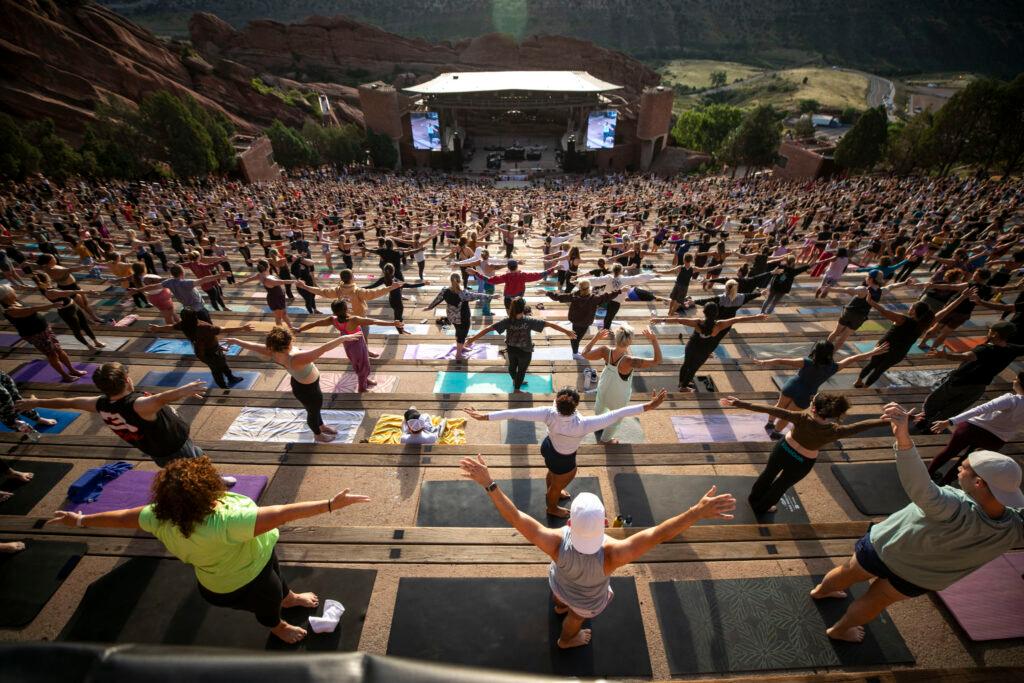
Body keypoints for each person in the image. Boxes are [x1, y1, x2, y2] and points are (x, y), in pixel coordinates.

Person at [44, 456, 370, 644]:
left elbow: (121, 517)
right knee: (269, 605)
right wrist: (330, 504)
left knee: (279, 582)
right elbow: (284, 512)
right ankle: (278, 625)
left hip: (237, 570)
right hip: (246, 582)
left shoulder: (158, 515)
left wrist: (82, 520)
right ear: (206, 491)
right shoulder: (228, 520)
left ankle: (289, 598)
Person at [459, 454, 735, 648]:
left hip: (560, 584)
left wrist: (489, 484)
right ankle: (566, 641)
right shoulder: (613, 554)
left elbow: (516, 517)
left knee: (560, 598)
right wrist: (696, 512)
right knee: (575, 619)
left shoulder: (554, 541)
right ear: (604, 523)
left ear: (569, 523)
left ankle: (558, 606)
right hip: (586, 601)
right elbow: (660, 533)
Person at [810, 402, 1024, 643]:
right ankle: (840, 630)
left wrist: (903, 437)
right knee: (877, 600)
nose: (960, 469)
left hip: (886, 547)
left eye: (964, 468)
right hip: (921, 576)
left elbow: (920, 486)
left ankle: (821, 591)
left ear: (979, 484)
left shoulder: (953, 505)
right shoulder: (1016, 528)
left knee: (849, 572)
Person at [463, 389, 668, 518]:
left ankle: (555, 490)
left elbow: (514, 413)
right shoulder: (584, 424)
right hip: (564, 459)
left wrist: (484, 417)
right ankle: (551, 507)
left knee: (554, 475)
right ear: (575, 406)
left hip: (548, 448)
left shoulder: (549, 413)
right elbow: (618, 413)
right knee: (561, 478)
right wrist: (649, 406)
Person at [717, 392, 889, 515]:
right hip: (803, 461)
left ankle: (754, 497)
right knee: (782, 485)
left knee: (768, 473)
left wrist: (739, 403)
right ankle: (763, 507)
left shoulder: (801, 417)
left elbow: (770, 409)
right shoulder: (836, 430)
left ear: (813, 409)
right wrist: (890, 421)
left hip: (783, 449)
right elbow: (863, 425)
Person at [16, 362, 213, 468]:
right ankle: (209, 492)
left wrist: (37, 402)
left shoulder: (100, 403)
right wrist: (183, 390)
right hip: (174, 447)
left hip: (156, 447)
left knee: (191, 458)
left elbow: (69, 402)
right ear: (128, 380)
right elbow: (160, 399)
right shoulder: (137, 405)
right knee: (193, 469)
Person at [224, 327, 359, 442]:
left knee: (314, 409)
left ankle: (321, 426)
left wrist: (237, 341)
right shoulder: (296, 358)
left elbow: (253, 346)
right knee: (313, 411)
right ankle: (318, 435)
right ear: (287, 343)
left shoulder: (273, 351)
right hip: (307, 389)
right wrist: (343, 338)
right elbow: (322, 349)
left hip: (302, 385)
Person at [754, 340, 890, 438]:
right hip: (806, 393)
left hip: (792, 385)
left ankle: (770, 423)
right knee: (788, 415)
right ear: (831, 354)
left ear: (816, 351)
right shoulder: (834, 367)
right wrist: (873, 352)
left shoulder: (806, 362)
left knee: (779, 406)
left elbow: (782, 360)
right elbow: (853, 358)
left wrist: (765, 362)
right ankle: (776, 433)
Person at [913, 321, 1023, 434]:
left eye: (990, 330)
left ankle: (923, 420)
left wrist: (945, 355)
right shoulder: (1012, 350)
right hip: (978, 388)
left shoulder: (985, 349)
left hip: (959, 381)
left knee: (933, 401)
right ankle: (931, 427)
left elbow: (966, 356)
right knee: (953, 409)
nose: (988, 331)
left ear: (995, 334)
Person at [927, 370, 1024, 484]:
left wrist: (950, 421)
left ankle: (927, 475)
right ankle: (943, 484)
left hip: (972, 429)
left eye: (1016, 379)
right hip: (995, 440)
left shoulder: (1012, 399)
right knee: (967, 464)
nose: (1013, 381)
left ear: (1021, 384)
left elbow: (980, 409)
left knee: (949, 452)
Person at [465, 297, 576, 393]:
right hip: (525, 351)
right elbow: (550, 324)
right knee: (521, 370)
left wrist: (473, 338)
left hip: (512, 349)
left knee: (512, 368)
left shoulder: (507, 321)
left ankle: (516, 381)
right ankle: (517, 389)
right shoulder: (529, 321)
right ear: (523, 309)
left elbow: (488, 328)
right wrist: (567, 332)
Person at [653, 303, 768, 392]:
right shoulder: (720, 324)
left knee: (686, 364)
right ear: (716, 313)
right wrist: (757, 317)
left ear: (704, 312)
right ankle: (683, 387)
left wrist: (660, 319)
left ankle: (681, 383)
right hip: (703, 350)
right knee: (693, 368)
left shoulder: (697, 322)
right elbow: (738, 319)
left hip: (692, 346)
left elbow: (678, 320)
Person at [296, 300, 403, 393]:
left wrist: (299, 329)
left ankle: (365, 380)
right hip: (358, 346)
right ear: (346, 309)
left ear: (334, 311)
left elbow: (315, 323)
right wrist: (393, 323)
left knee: (357, 364)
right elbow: (374, 321)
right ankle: (362, 387)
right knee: (364, 365)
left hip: (348, 345)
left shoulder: (333, 319)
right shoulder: (354, 320)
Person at [581, 325, 662, 444]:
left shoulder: (605, 350)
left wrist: (596, 338)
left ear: (616, 339)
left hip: (603, 387)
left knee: (600, 408)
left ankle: (598, 426)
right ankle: (606, 440)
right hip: (618, 396)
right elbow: (657, 360)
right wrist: (654, 340)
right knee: (616, 418)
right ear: (630, 342)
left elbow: (584, 353)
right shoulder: (630, 361)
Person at [147, 310, 253, 389]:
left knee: (220, 365)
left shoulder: (184, 324)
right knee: (217, 369)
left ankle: (230, 378)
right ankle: (223, 386)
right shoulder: (203, 327)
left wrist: (157, 328)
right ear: (195, 316)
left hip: (202, 351)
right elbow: (223, 329)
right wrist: (242, 328)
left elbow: (170, 327)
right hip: (211, 351)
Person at [0, 285, 85, 382]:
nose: (15, 293)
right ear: (7, 296)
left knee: (59, 350)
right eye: (12, 292)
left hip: (44, 330)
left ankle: (72, 370)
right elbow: (30, 310)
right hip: (35, 334)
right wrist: (51, 306)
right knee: (52, 355)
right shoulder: (9, 310)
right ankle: (65, 376)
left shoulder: (16, 302)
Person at [854, 300, 936, 388]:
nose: (910, 307)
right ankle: (865, 387)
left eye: (912, 307)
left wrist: (870, 301)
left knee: (872, 364)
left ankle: (858, 382)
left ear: (915, 311)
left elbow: (884, 312)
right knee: (879, 370)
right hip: (899, 353)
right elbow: (943, 313)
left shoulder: (903, 319)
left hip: (884, 346)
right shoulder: (923, 325)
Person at [544, 278, 623, 358]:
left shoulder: (573, 296)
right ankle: (575, 353)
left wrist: (547, 292)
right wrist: (620, 291)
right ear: (589, 288)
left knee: (574, 336)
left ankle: (574, 352)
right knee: (576, 338)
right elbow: (607, 296)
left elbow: (558, 297)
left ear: (579, 288)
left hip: (575, 321)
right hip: (585, 323)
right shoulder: (594, 298)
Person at [424, 272, 493, 360]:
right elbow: (477, 295)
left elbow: (438, 299)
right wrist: (491, 296)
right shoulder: (463, 293)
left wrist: (430, 307)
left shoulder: (445, 290)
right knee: (462, 335)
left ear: (450, 280)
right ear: (460, 281)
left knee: (458, 331)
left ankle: (461, 347)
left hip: (451, 317)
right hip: (463, 318)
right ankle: (458, 354)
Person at [234, 259, 298, 331]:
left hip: (278, 297)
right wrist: (295, 281)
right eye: (268, 264)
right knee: (279, 317)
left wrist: (242, 282)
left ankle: (291, 328)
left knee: (284, 313)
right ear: (267, 267)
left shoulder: (261, 275)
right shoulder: (267, 279)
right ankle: (280, 332)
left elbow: (250, 278)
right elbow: (282, 282)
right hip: (275, 298)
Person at [485, 260, 553, 312]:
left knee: (510, 318)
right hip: (518, 298)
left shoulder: (506, 276)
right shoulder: (522, 275)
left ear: (508, 267)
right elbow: (538, 276)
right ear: (517, 267)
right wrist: (552, 269)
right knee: (519, 317)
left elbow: (490, 280)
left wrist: (476, 273)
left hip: (508, 299)